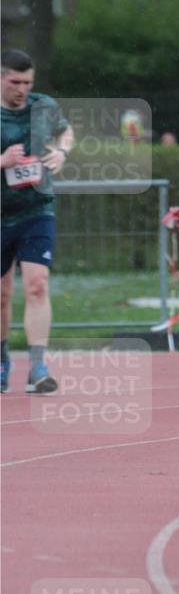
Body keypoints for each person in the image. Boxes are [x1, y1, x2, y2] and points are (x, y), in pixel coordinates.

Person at [1, 50, 74, 393]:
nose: (21, 89)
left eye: (27, 83)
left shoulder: (43, 105)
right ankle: (3, 361)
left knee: (37, 285)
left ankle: (38, 366)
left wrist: (61, 151)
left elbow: (65, 131)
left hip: (36, 209)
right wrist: (2, 161)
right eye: (14, 82)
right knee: (2, 295)